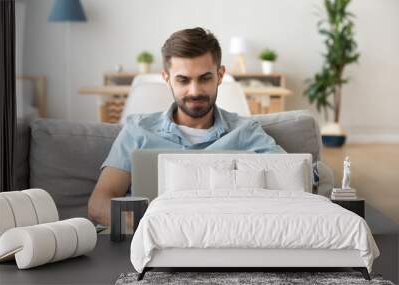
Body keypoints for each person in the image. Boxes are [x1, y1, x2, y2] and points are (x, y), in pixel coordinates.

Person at [88, 27, 285, 225]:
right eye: (183, 80)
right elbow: (99, 205)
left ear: (220, 75)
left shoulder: (246, 131)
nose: (195, 91)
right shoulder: (137, 130)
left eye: (205, 78)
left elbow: (295, 180)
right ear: (166, 78)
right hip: (152, 244)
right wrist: (161, 226)